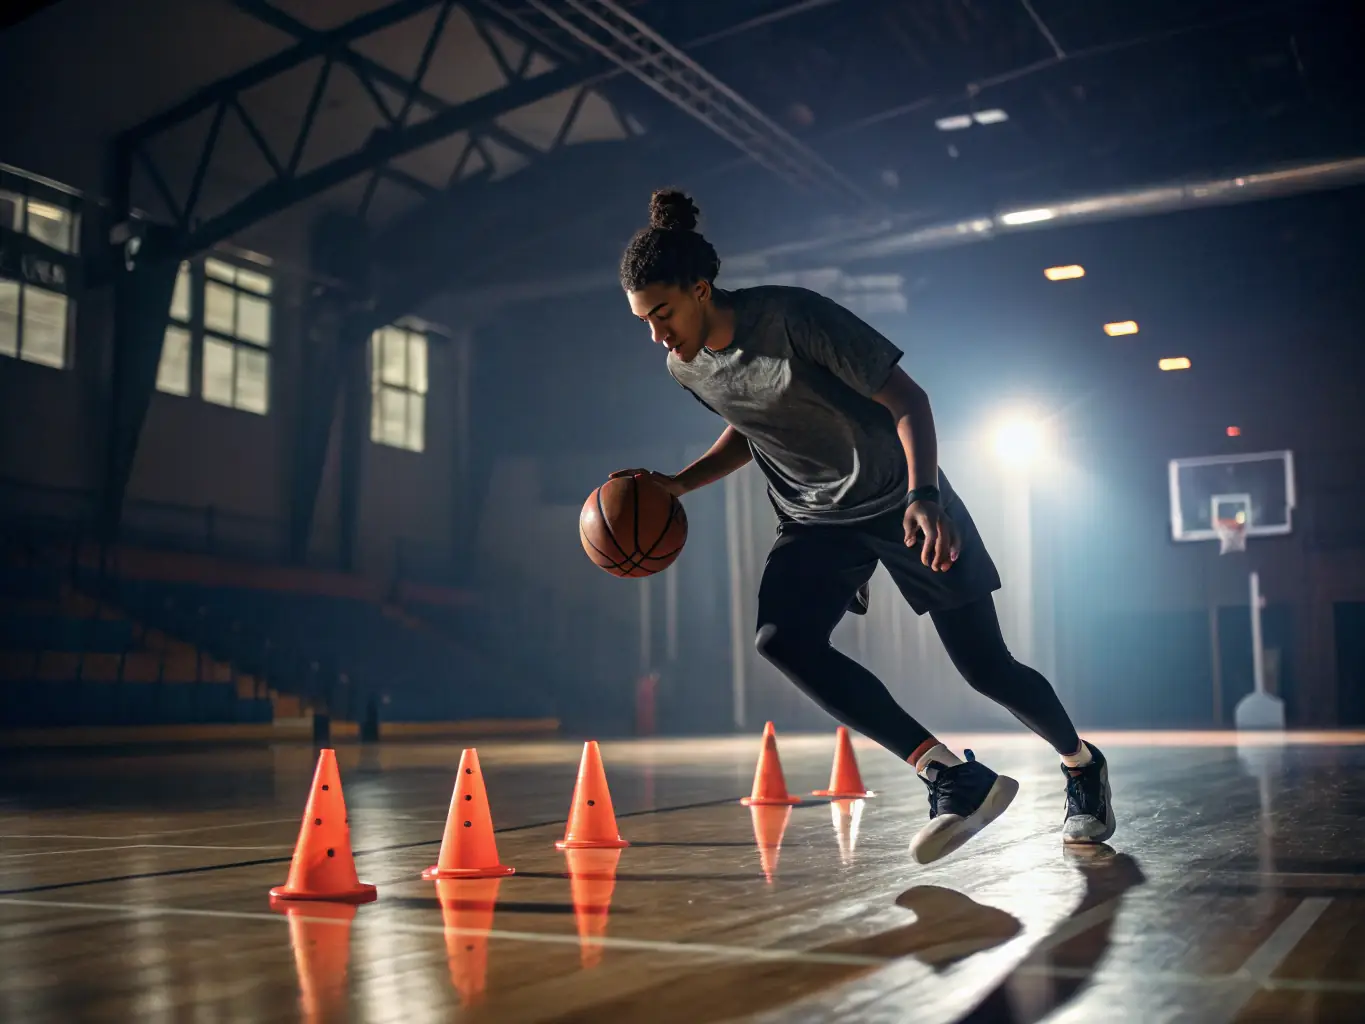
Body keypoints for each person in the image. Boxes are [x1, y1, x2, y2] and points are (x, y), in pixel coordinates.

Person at [613, 188, 1116, 864]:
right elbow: (751, 422)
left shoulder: (795, 317)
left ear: (700, 289)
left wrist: (925, 495)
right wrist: (679, 483)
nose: (656, 334)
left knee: (985, 668)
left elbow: (909, 401)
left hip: (898, 496)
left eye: (662, 313)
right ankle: (947, 773)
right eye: (643, 320)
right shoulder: (684, 366)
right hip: (815, 518)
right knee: (780, 639)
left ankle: (1080, 765)